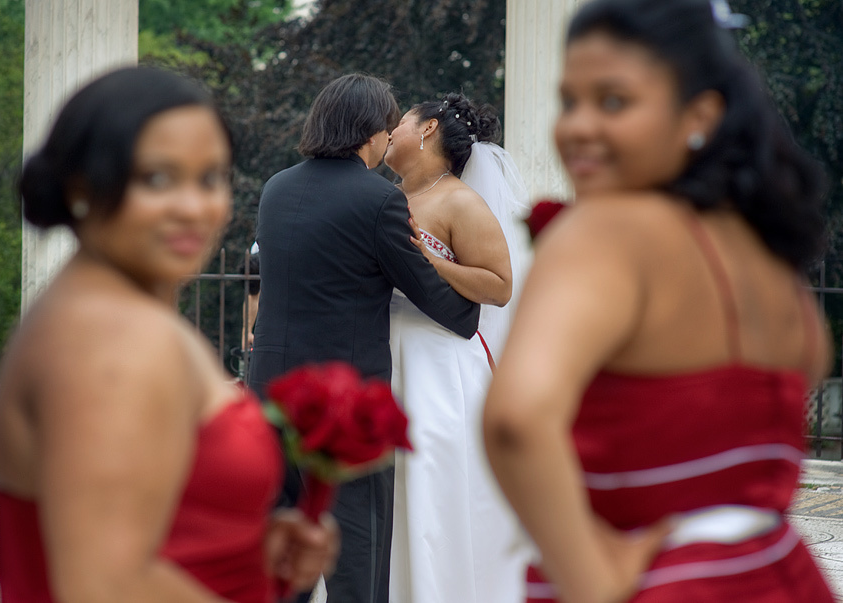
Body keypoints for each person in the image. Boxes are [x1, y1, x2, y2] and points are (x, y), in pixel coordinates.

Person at [482, 1, 834, 601]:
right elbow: (811, 362)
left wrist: (591, 584)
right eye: (569, 101)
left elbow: (516, 420)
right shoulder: (767, 257)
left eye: (614, 101)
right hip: (777, 574)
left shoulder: (608, 230)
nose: (577, 127)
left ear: (699, 114)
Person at [0, 66, 337, 603]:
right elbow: (104, 586)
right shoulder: (109, 342)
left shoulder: (110, 310)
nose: (194, 207)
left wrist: (247, 550)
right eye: (158, 178)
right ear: (84, 185)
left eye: (211, 178)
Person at [248, 74, 480, 603]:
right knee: (356, 558)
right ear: (370, 134)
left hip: (270, 398)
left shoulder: (276, 189)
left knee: (279, 559)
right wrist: (470, 314)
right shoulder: (378, 201)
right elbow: (428, 293)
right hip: (343, 407)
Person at [382, 92, 532, 603]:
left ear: (426, 130)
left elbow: (499, 284)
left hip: (438, 365)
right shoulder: (387, 196)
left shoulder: (458, 200)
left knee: (434, 494)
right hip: (388, 355)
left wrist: (426, 259)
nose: (390, 130)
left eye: (400, 121)